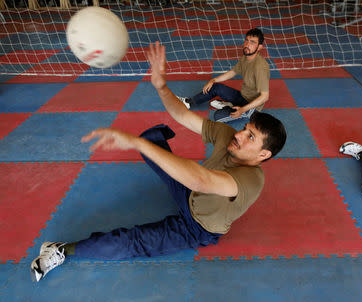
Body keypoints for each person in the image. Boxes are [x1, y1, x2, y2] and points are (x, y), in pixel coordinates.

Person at [30, 42, 287, 282]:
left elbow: (201, 179)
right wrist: (161, 86)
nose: (240, 134)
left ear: (263, 155)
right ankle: (150, 144)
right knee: (151, 141)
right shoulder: (229, 136)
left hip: (197, 227)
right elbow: (184, 117)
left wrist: (135, 143)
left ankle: (61, 250)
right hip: (190, 192)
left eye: (250, 137)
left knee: (134, 242)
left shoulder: (252, 180)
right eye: (246, 128)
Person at [177, 28, 270, 123]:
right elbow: (233, 72)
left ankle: (230, 107)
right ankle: (188, 103)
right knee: (215, 87)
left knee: (218, 116)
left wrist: (243, 109)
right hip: (242, 96)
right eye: (247, 40)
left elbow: (264, 97)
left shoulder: (260, 67)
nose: (247, 44)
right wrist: (213, 80)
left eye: (253, 42)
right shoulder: (246, 58)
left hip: (251, 107)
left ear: (259, 47)